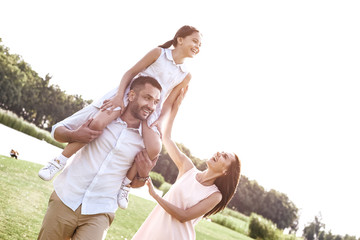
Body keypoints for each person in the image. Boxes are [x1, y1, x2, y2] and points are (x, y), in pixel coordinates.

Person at [38, 25, 202, 209]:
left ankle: (124, 186)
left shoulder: (185, 75)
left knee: (154, 147)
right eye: (195, 41)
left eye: (200, 44)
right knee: (98, 123)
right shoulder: (159, 53)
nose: (198, 46)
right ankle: (58, 161)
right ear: (180, 39)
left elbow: (169, 103)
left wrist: (159, 121)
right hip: (127, 96)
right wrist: (118, 97)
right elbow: (130, 73)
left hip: (150, 111)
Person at [38, 76, 162, 240]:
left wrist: (144, 174)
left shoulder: (147, 141)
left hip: (100, 210)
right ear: (131, 95)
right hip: (66, 197)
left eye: (155, 101)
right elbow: (57, 130)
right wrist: (74, 134)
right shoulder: (102, 113)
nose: (151, 106)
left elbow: (135, 183)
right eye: (147, 98)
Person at [131, 88, 242, 240]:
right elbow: (167, 138)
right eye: (220, 151)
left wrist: (155, 195)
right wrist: (176, 108)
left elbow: (183, 216)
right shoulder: (187, 167)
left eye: (224, 156)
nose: (218, 153)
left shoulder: (215, 195)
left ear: (226, 172)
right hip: (152, 231)